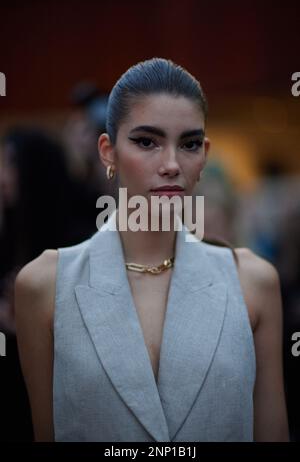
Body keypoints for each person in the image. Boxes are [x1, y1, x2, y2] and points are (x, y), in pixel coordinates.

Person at [14, 58, 289, 442]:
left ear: (204, 155)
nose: (172, 164)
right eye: (147, 141)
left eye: (189, 143)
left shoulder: (253, 282)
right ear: (108, 151)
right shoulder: (44, 285)